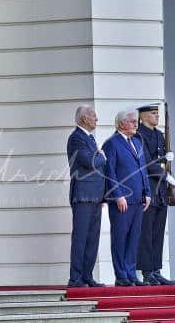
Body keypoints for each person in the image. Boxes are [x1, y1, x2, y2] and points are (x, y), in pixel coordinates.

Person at [103, 109, 151, 286]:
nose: (136, 124)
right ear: (121, 123)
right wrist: (118, 195)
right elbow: (110, 172)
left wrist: (147, 193)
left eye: (136, 121)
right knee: (120, 237)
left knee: (134, 238)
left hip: (138, 199)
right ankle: (121, 275)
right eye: (132, 121)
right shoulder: (112, 143)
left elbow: (143, 169)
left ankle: (131, 274)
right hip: (122, 200)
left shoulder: (137, 142)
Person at [135, 103, 175, 286]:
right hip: (148, 189)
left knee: (158, 232)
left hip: (160, 191)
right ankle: (147, 271)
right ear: (143, 117)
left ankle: (156, 270)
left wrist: (167, 166)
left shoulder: (160, 135)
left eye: (158, 114)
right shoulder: (139, 135)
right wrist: (165, 174)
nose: (156, 116)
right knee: (147, 233)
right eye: (153, 113)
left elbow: (161, 161)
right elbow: (145, 162)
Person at [66, 105, 106, 288]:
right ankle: (75, 278)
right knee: (81, 238)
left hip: (95, 195)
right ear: (84, 119)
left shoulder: (89, 138)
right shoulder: (76, 138)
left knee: (92, 238)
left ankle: (87, 276)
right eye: (94, 116)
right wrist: (102, 157)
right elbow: (90, 162)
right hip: (82, 195)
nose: (96, 119)